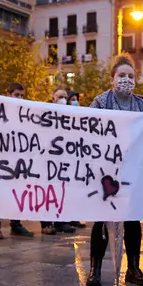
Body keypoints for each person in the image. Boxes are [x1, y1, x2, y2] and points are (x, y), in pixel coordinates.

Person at [85, 54, 143, 286]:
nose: (126, 79)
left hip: (134, 175)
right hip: (106, 173)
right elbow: (85, 129)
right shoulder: (100, 103)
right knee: (101, 220)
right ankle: (95, 270)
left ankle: (133, 269)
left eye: (130, 76)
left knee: (133, 220)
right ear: (112, 78)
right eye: (121, 75)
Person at [0, 83, 35, 239]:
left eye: (22, 95)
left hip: (17, 158)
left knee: (17, 190)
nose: (20, 98)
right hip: (0, 158)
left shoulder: (23, 113)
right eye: (16, 95)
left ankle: (16, 224)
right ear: (8, 94)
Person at [40, 89, 78, 235]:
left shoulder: (69, 114)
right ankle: (46, 223)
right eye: (60, 96)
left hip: (63, 159)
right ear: (53, 98)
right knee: (46, 191)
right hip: (47, 159)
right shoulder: (45, 112)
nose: (63, 99)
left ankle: (62, 221)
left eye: (65, 97)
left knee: (62, 190)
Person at [66, 91, 87, 230]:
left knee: (73, 191)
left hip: (74, 158)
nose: (75, 102)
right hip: (63, 159)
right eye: (72, 99)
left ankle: (72, 217)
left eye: (76, 99)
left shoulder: (78, 115)